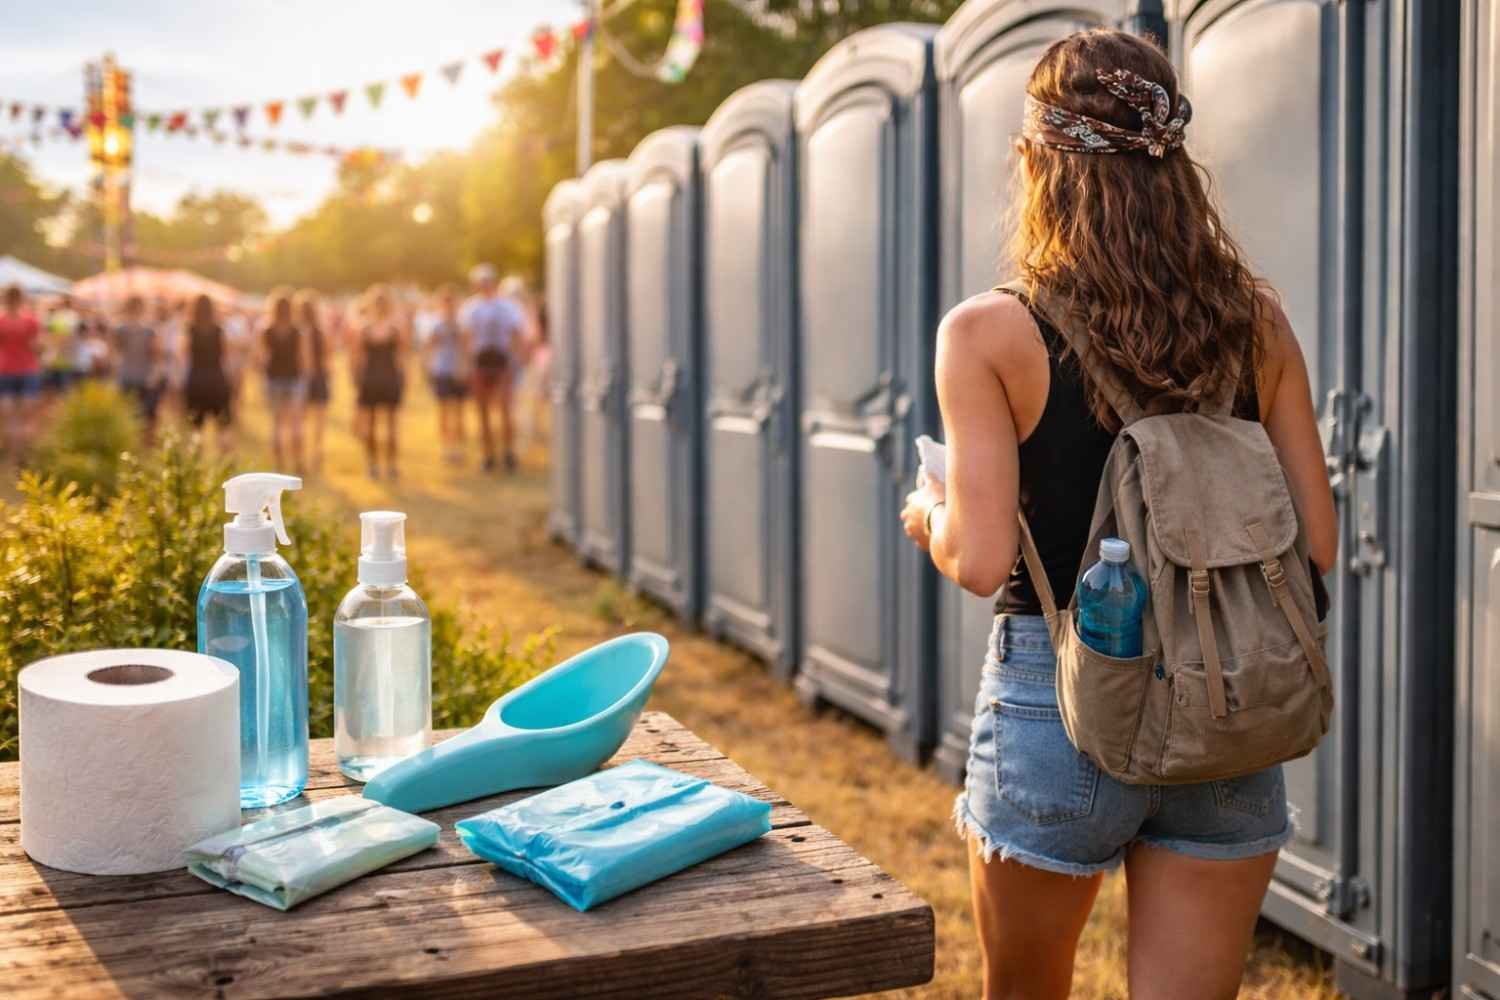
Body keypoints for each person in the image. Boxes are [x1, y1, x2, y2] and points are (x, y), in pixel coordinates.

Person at [898, 30, 1337, 1000]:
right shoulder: (1255, 320)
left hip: (1061, 702)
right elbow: (1317, 542)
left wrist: (928, 510)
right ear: (1172, 156)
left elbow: (978, 560)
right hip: (1230, 700)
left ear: (1037, 163)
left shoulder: (988, 333)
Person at [460, 264, 529, 473]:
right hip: (481, 361)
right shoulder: (471, 308)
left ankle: (508, 452)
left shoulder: (508, 307)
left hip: (502, 360)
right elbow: (466, 337)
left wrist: (517, 358)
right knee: (482, 410)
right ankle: (488, 454)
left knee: (505, 408)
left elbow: (517, 333)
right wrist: (467, 363)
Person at [354, 285, 407, 480]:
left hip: (372, 379)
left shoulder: (365, 329)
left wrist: (357, 382)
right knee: (389, 426)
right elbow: (401, 358)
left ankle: (374, 466)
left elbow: (358, 360)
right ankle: (390, 466)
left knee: (374, 425)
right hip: (388, 378)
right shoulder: (393, 329)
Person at [260, 290, 306, 473]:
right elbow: (303, 357)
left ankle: (278, 464)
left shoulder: (266, 330)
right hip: (293, 378)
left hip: (273, 378)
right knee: (296, 423)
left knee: (277, 423)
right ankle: (298, 463)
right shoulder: (297, 331)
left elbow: (262, 357)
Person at [425, 285, 469, 465]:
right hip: (442, 369)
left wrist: (464, 367)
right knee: (443, 410)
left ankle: (458, 449)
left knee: (459, 412)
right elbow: (430, 347)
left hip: (457, 370)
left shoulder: (461, 324)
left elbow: (466, 347)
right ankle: (446, 449)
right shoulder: (437, 324)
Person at [182, 294, 234, 449]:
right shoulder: (218, 330)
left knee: (196, 428)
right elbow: (226, 355)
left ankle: (196, 462)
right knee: (223, 426)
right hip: (217, 379)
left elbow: (184, 354)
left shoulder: (189, 329)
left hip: (196, 380)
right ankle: (224, 464)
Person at [0, 284, 43, 460]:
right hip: (22, 370)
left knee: (11, 416)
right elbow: (39, 347)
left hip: (12, 370)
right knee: (22, 417)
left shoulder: (5, 321)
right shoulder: (30, 321)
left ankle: (14, 456)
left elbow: (38, 346)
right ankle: (19, 456)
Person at [114, 295, 164, 438]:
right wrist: (155, 374)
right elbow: (157, 355)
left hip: (128, 376)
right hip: (142, 376)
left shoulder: (121, 328)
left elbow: (115, 354)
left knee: (131, 413)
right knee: (145, 416)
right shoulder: (148, 329)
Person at [295, 290, 330, 474]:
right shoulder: (319, 331)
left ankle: (301, 456)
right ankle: (316, 453)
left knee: (300, 420)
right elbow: (326, 355)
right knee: (318, 420)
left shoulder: (297, 331)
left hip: (301, 378)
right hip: (319, 377)